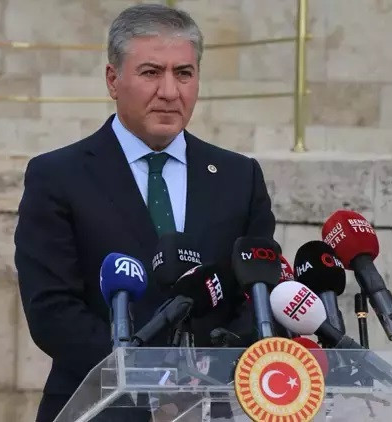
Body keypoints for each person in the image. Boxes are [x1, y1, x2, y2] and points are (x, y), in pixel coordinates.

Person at [14, 4, 276, 421]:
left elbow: (257, 294)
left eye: (184, 73)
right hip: (101, 409)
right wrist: (153, 382)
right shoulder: (58, 176)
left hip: (214, 408)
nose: (169, 91)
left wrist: (203, 379)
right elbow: (52, 310)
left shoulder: (239, 177)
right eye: (151, 72)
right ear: (112, 79)